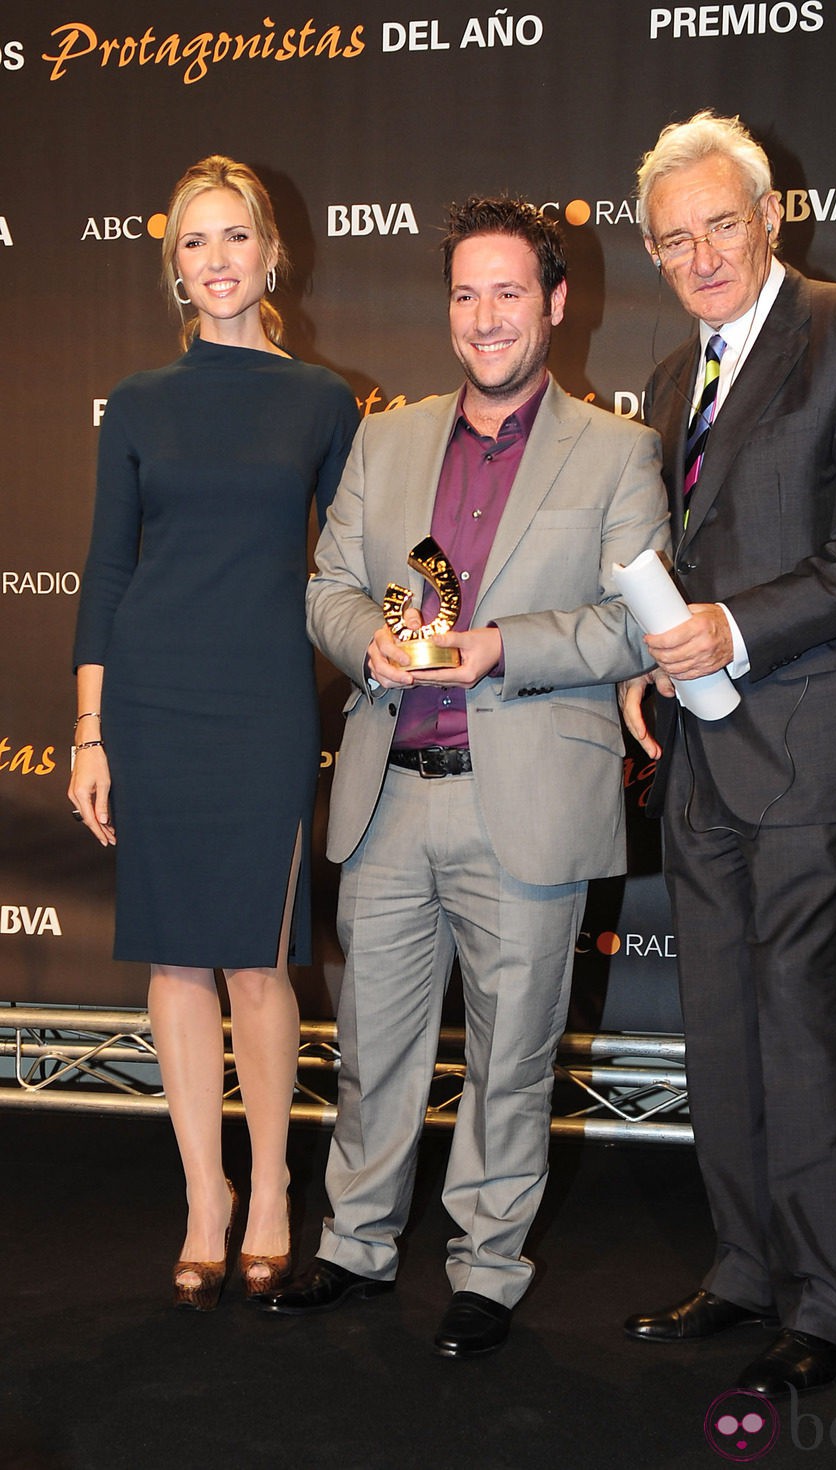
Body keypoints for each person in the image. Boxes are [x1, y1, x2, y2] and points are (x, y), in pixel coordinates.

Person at [255, 195, 669, 1356]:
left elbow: (629, 628)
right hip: (389, 792)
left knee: (511, 1055)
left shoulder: (617, 451)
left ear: (554, 302)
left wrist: (503, 645)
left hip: (525, 800)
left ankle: (486, 1268)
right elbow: (328, 585)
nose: (484, 318)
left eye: (506, 293)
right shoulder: (384, 440)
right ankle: (353, 1247)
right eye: (464, 295)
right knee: (373, 1048)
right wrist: (361, 642)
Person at [619, 112, 836, 1394]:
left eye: (720, 225)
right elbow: (680, 567)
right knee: (718, 1030)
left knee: (801, 1031)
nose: (700, 255)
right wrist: (657, 660)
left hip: (809, 740)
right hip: (699, 754)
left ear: (768, 220)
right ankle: (744, 1270)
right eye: (672, 238)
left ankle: (825, 1300)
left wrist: (731, 629)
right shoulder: (665, 377)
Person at [68, 155, 359, 1310]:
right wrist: (89, 735)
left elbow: (354, 566)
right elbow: (104, 569)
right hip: (152, 695)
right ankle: (204, 1198)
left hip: (264, 700)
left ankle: (276, 1189)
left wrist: (418, 643)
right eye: (195, 242)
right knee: (176, 958)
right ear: (174, 268)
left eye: (236, 236)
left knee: (257, 957)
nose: (218, 258)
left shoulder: (324, 400)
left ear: (271, 253)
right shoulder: (137, 403)